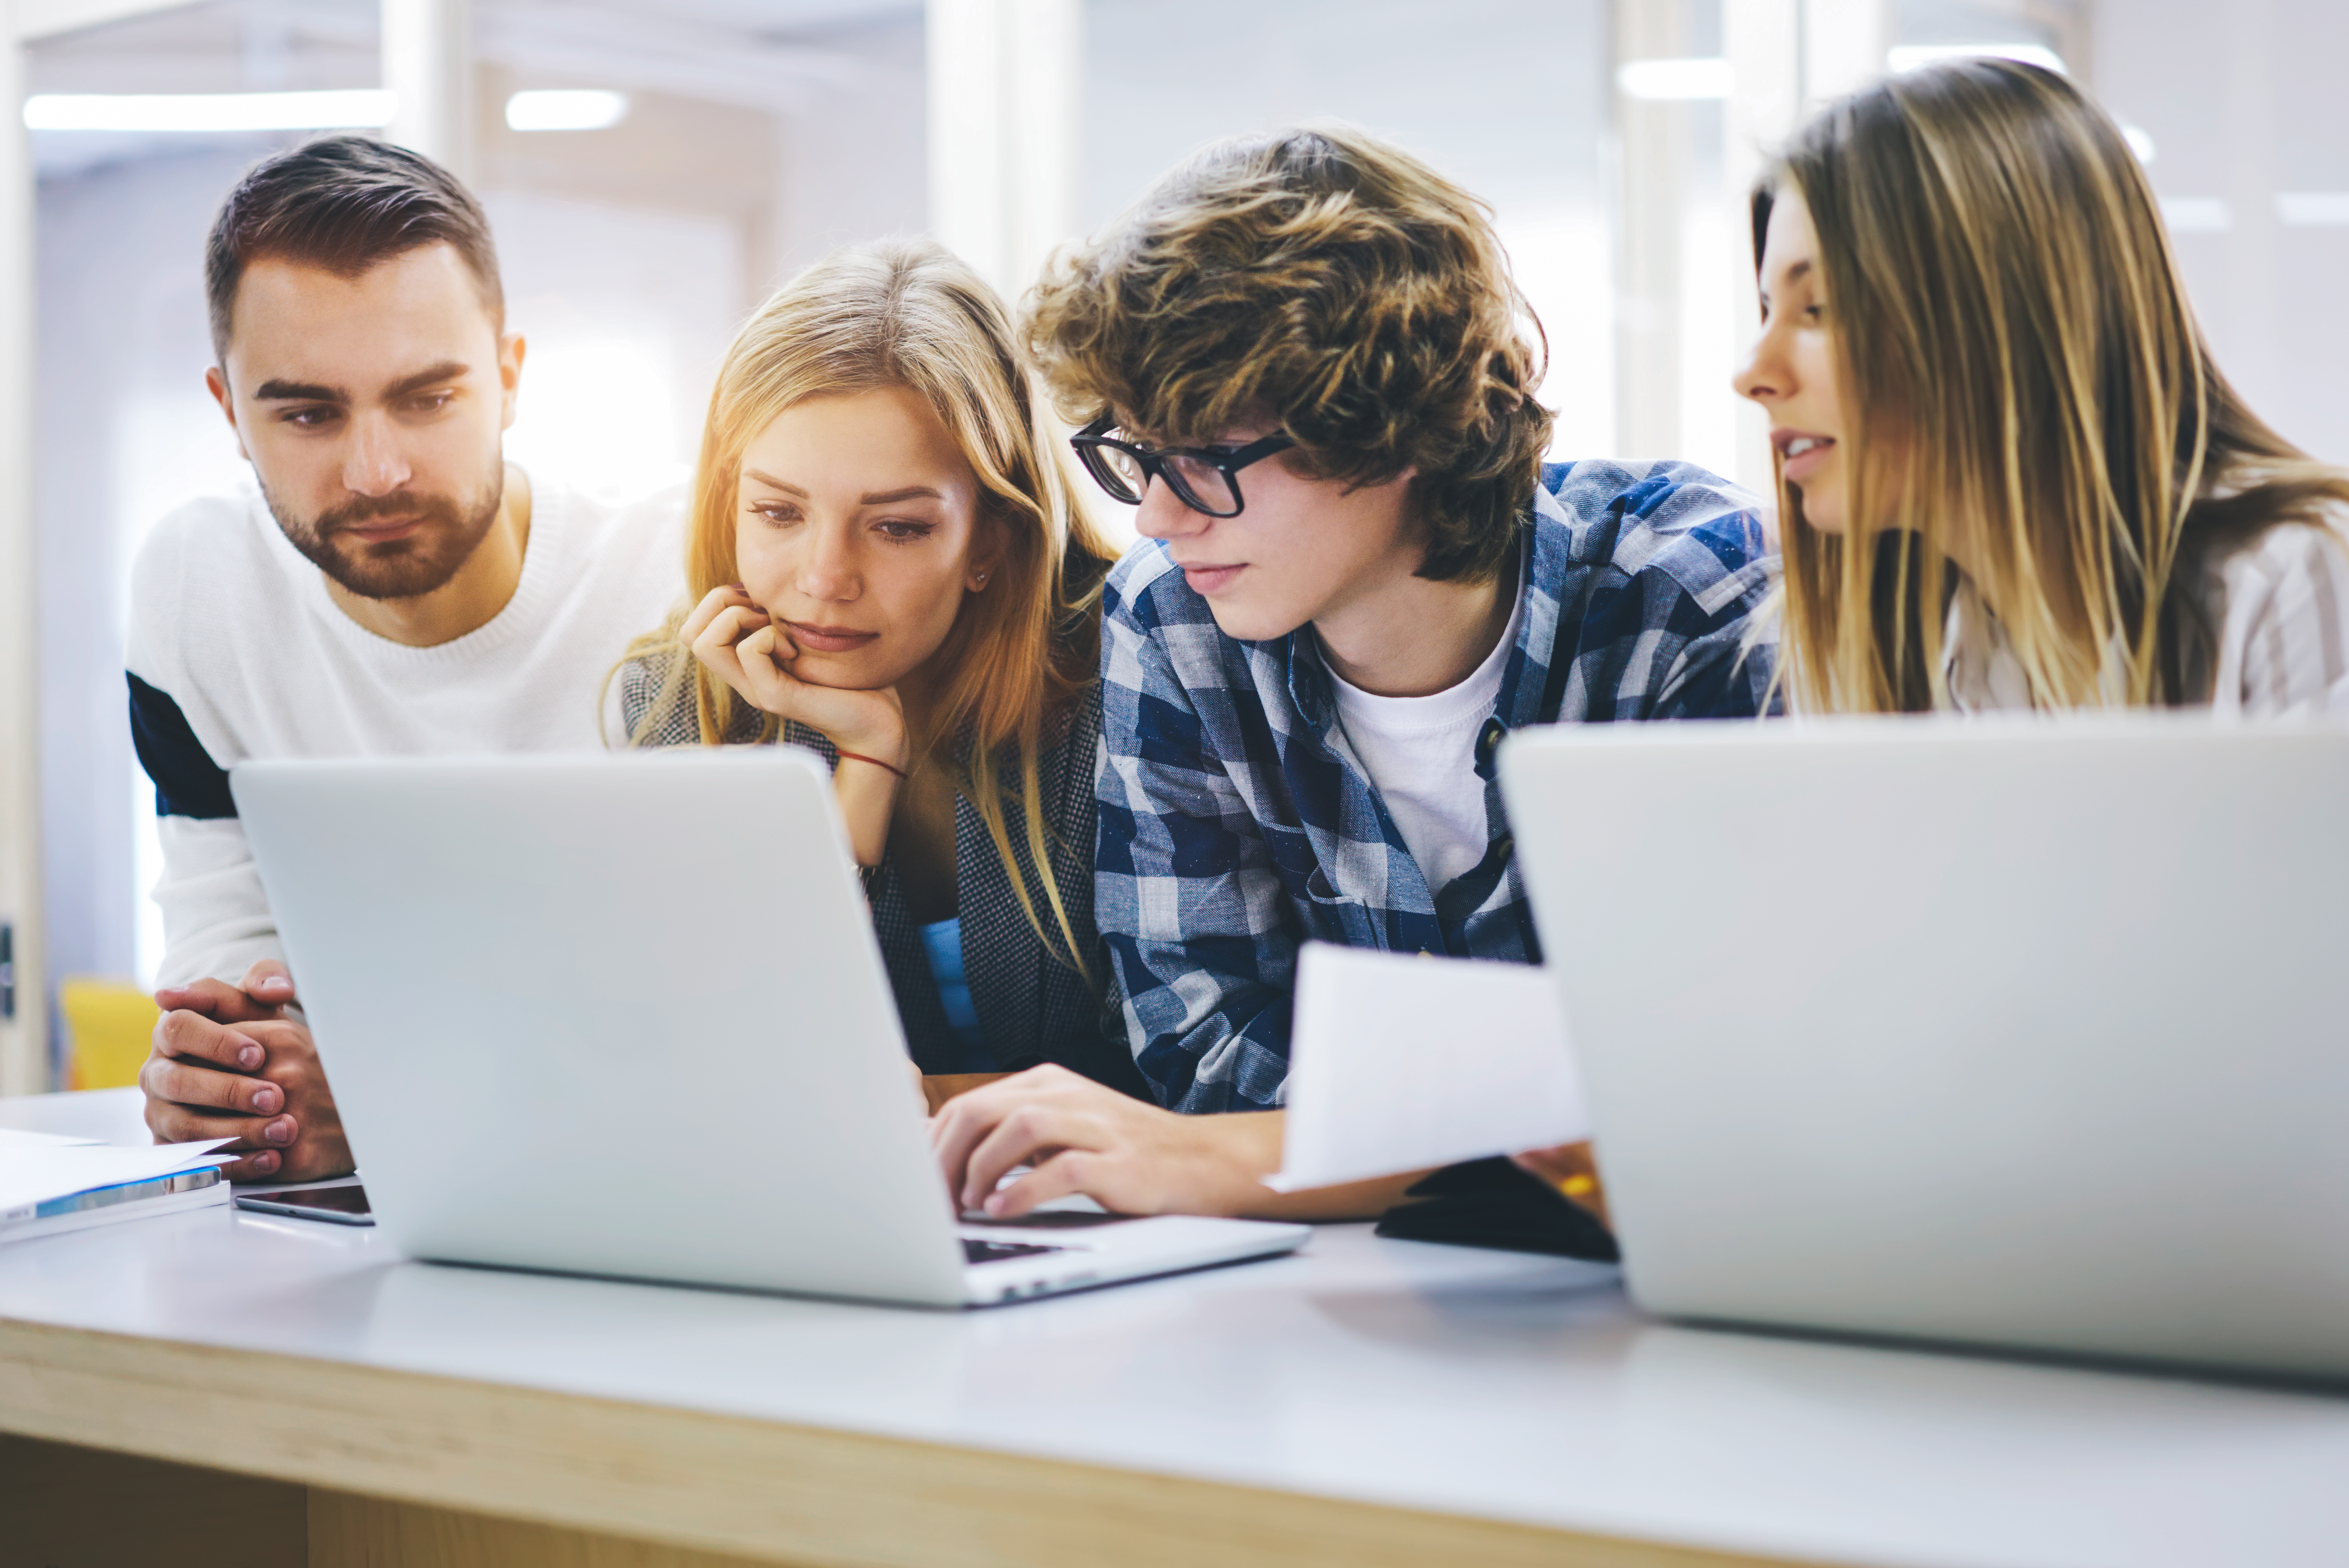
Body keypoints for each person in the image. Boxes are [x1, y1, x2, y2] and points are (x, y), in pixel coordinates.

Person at [928, 125, 1776, 1222]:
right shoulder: (1173, 619)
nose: (1158, 514)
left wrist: (1280, 1154)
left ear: (1396, 422)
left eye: (1206, 458)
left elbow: (1720, 1092)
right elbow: (1206, 1056)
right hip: (1347, 1290)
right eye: (1138, 451)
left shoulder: (1689, 597)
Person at [1727, 58, 2349, 1217]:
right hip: (2083, 1243)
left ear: (1992, 312)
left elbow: (2306, 1059)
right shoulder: (1915, 640)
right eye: (1766, 310)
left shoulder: (2320, 571)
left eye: (1819, 311)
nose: (1757, 371)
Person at [131, 137, 682, 1181]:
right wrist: (236, 1073)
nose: (376, 472)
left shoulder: (681, 571)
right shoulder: (192, 587)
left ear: (509, 379)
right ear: (228, 413)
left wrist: (404, 1090)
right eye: (307, 413)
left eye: (428, 399)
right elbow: (221, 923)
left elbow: (731, 1008)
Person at [611, 240, 1143, 1095]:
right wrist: (863, 767)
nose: (824, 580)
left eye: (896, 527)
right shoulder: (684, 703)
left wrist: (911, 1106)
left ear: (990, 541)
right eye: (779, 512)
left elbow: (1178, 1072)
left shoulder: (1129, 684)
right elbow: (718, 1062)